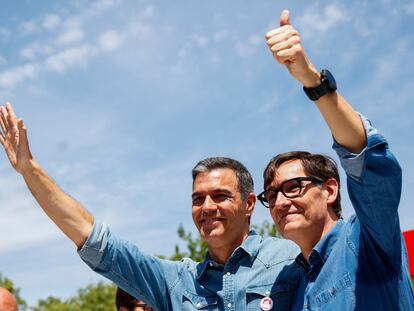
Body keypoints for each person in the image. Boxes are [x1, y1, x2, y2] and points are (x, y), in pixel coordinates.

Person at [0, 100, 300, 308]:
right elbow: (93, 238)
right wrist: (29, 169)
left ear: (249, 203)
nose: (207, 207)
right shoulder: (175, 283)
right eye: (198, 199)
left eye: (220, 196)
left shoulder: (292, 258)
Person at [256, 10, 414, 310]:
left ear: (329, 190)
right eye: (272, 194)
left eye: (293, 186)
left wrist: (313, 82)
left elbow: (369, 161)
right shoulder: (291, 286)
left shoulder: (369, 239)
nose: (279, 202)